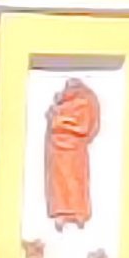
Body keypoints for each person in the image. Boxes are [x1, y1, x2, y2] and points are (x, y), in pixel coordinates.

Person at [45, 78, 100, 230]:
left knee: (76, 179)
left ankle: (78, 212)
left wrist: (59, 120)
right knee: (59, 180)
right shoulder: (61, 103)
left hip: (75, 147)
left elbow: (86, 126)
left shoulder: (85, 101)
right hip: (58, 146)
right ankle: (61, 211)